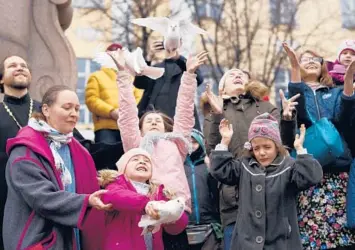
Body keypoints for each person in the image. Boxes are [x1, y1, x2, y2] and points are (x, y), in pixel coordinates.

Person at [109, 49, 208, 249]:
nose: (154, 122)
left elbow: (184, 111)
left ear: (166, 127)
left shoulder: (176, 143)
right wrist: (122, 74)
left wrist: (188, 75)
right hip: (147, 208)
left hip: (175, 208)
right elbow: (128, 115)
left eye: (158, 121)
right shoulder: (136, 145)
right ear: (140, 128)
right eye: (148, 121)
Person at [3, 85, 111, 249]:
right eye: (67, 107)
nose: (74, 113)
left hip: (75, 239)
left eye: (77, 108)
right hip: (40, 242)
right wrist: (86, 201)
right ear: (46, 109)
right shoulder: (25, 150)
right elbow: (42, 197)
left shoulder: (79, 150)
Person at [210, 114, 323, 250]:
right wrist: (225, 142)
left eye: (267, 147)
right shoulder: (244, 166)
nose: (261, 153)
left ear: (277, 146)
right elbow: (220, 170)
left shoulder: (288, 166)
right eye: (256, 148)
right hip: (246, 243)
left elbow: (311, 177)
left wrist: (300, 151)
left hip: (281, 242)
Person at [283, 42, 355, 249]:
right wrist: (295, 71)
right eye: (305, 59)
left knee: (344, 238)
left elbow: (344, 118)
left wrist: (348, 84)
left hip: (337, 173)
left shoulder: (334, 92)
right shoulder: (292, 94)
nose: (311, 62)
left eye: (315, 59)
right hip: (310, 176)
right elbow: (301, 118)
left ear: (323, 65)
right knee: (313, 241)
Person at [205, 69, 279, 250]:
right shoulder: (214, 115)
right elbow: (214, 154)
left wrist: (287, 119)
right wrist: (217, 116)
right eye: (231, 75)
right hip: (234, 205)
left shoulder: (267, 108)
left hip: (272, 196)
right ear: (222, 90)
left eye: (242, 74)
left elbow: (282, 145)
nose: (237, 75)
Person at [98, 147, 188, 250]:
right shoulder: (114, 186)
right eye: (135, 159)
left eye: (147, 161)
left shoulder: (159, 194)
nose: (142, 162)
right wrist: (146, 204)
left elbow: (177, 227)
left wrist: (174, 214)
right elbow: (117, 197)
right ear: (123, 169)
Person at [133, 41, 204, 130]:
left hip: (179, 117)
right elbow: (139, 83)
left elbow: (199, 79)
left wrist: (178, 58)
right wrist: (148, 58)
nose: (171, 47)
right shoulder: (156, 68)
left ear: (180, 45)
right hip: (155, 118)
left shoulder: (186, 67)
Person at [85, 43, 143, 144]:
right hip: (105, 128)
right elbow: (92, 100)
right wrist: (111, 112)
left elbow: (140, 98)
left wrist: (128, 112)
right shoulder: (96, 76)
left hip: (129, 127)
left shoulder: (132, 78)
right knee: (107, 157)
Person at [184, 129, 222, 250]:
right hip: (185, 225)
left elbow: (219, 191)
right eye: (187, 142)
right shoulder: (177, 165)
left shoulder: (208, 164)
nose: (191, 146)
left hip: (210, 224)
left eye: (194, 142)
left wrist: (211, 170)